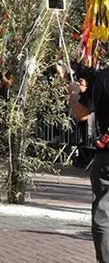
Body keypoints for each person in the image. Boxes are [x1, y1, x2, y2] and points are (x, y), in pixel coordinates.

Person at [70, 72, 109, 263]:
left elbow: (81, 113)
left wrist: (74, 95)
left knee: (103, 213)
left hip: (107, 157)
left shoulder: (104, 77)